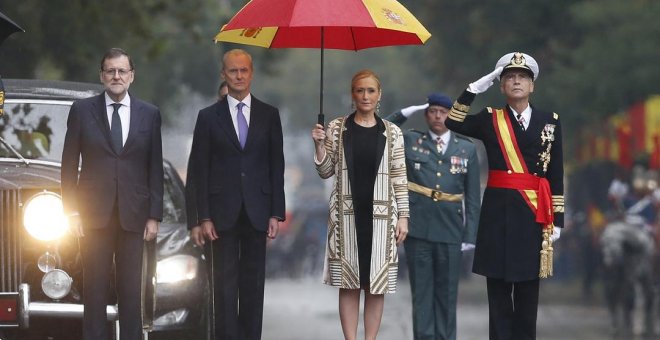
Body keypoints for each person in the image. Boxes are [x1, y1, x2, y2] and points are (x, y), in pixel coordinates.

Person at [444, 52, 564, 340]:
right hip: (498, 215)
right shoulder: (490, 119)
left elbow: (556, 173)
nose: (516, 81)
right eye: (509, 77)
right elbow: (453, 122)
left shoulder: (551, 121)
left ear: (532, 85)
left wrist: (557, 220)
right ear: (501, 86)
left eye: (522, 77)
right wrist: (473, 89)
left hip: (533, 215)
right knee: (498, 296)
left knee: (527, 298)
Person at [61, 47, 163, 340]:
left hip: (135, 216)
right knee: (93, 292)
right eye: (110, 71)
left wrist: (154, 215)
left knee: (131, 293)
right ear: (101, 76)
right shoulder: (82, 111)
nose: (116, 76)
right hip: (92, 217)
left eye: (122, 71)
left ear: (132, 76)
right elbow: (69, 165)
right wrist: (71, 211)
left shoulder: (150, 114)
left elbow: (154, 166)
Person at [188, 48, 285, 340]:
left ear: (251, 74)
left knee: (253, 287)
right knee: (223, 290)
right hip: (219, 217)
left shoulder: (270, 115)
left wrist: (275, 212)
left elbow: (275, 166)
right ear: (224, 75)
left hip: (258, 212)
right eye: (233, 71)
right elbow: (197, 171)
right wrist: (201, 217)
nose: (239, 76)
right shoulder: (207, 117)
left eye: (244, 70)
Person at [311, 69, 409, 340]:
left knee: (376, 286)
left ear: (379, 96)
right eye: (359, 91)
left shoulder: (393, 133)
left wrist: (404, 217)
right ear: (352, 95)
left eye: (370, 91)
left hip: (381, 217)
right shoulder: (335, 128)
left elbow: (400, 177)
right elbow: (325, 171)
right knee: (349, 283)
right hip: (346, 216)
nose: (365, 96)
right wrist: (319, 146)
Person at [384, 92, 480, 340]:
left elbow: (472, 198)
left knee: (447, 295)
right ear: (426, 115)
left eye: (443, 112)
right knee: (422, 295)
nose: (438, 116)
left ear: (452, 115)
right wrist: (406, 112)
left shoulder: (466, 148)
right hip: (418, 228)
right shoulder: (411, 141)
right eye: (432, 111)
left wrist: (470, 235)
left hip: (450, 230)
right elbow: (382, 131)